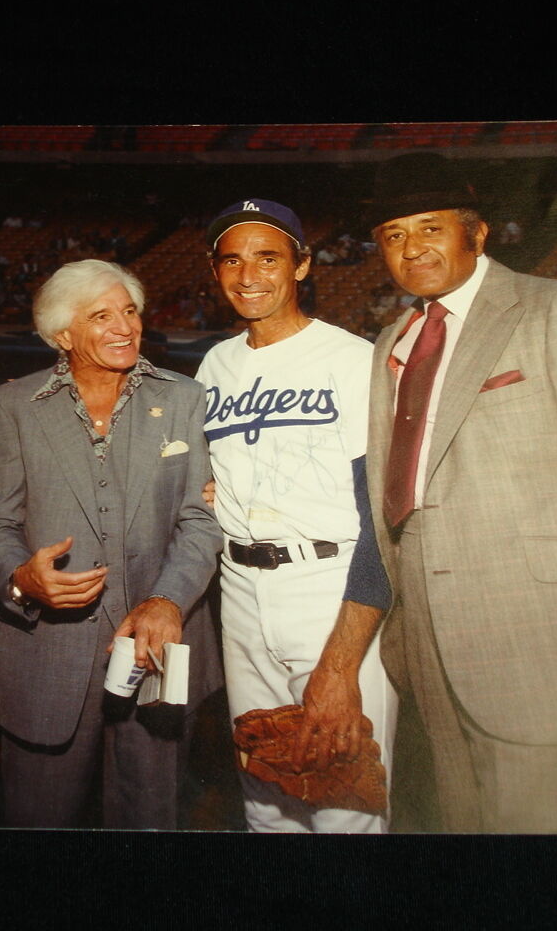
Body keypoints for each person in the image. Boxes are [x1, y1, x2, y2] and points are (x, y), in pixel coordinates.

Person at [363, 153, 557, 832]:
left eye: (431, 228)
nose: (413, 248)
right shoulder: (391, 343)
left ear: (478, 233)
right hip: (431, 656)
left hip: (552, 653)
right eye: (394, 235)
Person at [0, 258, 222, 829]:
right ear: (63, 334)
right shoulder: (12, 407)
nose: (123, 326)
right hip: (44, 656)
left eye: (129, 311)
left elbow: (200, 520)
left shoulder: (185, 400)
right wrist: (19, 578)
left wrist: (168, 601)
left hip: (158, 650)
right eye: (101, 315)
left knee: (151, 819)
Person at [195, 199, 396, 833]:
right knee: (265, 798)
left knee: (345, 801)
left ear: (302, 265)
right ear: (215, 270)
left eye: (268, 257)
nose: (248, 275)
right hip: (241, 591)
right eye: (233, 260)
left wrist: (341, 662)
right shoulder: (214, 364)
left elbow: (380, 519)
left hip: (328, 587)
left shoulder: (352, 358)